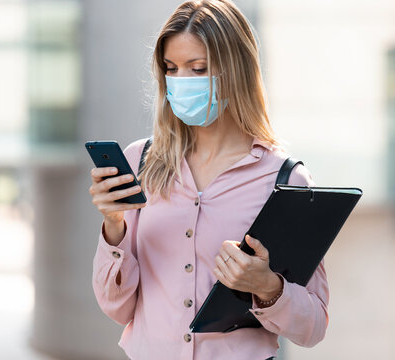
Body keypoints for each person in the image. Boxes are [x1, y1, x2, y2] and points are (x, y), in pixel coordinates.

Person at [88, 1, 329, 359]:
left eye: (198, 69)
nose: (181, 82)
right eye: (171, 69)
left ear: (236, 71)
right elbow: (117, 308)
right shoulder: (141, 162)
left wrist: (267, 287)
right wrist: (114, 227)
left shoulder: (284, 179)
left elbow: (313, 327)